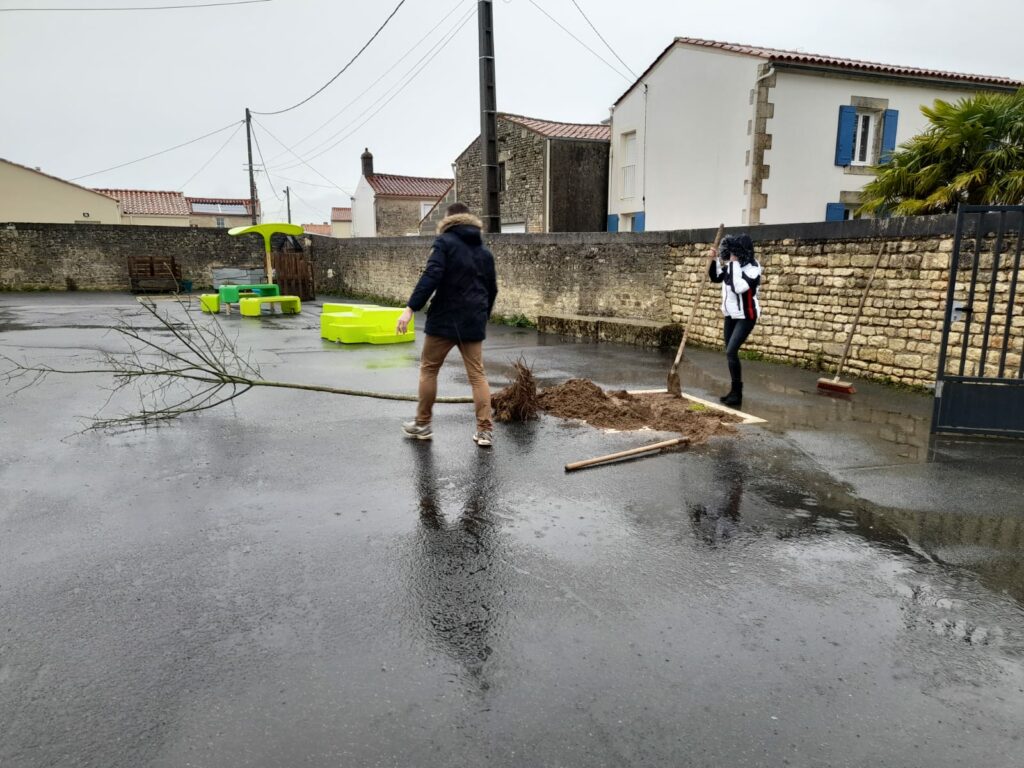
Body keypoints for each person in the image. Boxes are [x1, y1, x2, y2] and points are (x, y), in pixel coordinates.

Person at [396, 202, 498, 447]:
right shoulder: (484, 252)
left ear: (448, 221)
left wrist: (411, 308)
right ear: (470, 221)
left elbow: (431, 275)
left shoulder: (444, 244)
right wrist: (483, 315)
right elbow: (492, 288)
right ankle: (485, 431)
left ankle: (423, 424)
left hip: (444, 318)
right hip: (473, 319)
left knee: (429, 369)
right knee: (477, 375)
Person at [708, 234, 761, 408]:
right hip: (730, 315)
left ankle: (737, 393)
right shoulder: (732, 266)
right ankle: (733, 390)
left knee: (731, 351)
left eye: (735, 253)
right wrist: (714, 259)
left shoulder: (753, 269)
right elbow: (716, 278)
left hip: (746, 316)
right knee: (729, 353)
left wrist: (734, 263)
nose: (732, 255)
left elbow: (738, 287)